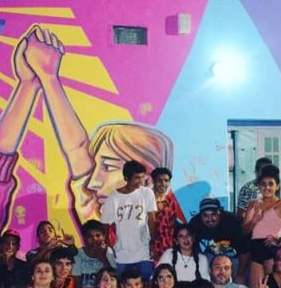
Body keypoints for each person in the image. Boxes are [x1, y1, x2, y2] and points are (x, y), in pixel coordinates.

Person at [16, 26, 173, 233]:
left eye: (107, 166)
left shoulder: (163, 209)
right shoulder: (100, 208)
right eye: (96, 166)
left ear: (144, 178)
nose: (93, 181)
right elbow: (77, 148)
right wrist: (48, 78)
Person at [242, 164, 281, 288]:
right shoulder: (253, 205)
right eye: (263, 184)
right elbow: (244, 231)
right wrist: (254, 221)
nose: (267, 187)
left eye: (271, 184)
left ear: (277, 186)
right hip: (256, 248)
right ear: (259, 186)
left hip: (272, 249)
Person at [100, 160, 157, 281]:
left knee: (145, 283)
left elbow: (152, 219)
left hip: (143, 251)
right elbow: (105, 224)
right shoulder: (114, 197)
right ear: (126, 178)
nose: (141, 181)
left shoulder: (147, 193)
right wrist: (110, 246)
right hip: (122, 252)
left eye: (142, 177)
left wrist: (153, 242)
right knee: (123, 285)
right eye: (137, 178)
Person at [188, 197, 248, 281]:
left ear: (219, 212)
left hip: (235, 256)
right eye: (205, 215)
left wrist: (240, 275)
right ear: (200, 215)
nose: (210, 219)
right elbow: (191, 250)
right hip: (210, 255)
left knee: (240, 280)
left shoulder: (233, 222)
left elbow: (245, 251)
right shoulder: (195, 224)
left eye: (213, 214)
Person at [150, 167, 186, 261]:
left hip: (168, 245)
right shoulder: (146, 200)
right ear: (153, 181)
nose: (163, 184)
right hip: (149, 245)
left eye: (166, 181)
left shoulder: (171, 202)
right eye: (159, 180)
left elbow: (173, 225)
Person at [158, 223, 210, 288]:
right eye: (181, 236)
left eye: (188, 235)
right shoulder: (169, 254)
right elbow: (158, 276)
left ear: (193, 238)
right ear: (176, 241)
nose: (185, 239)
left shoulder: (202, 259)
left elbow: (206, 284)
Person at [72, 219, 117, 288]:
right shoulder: (79, 254)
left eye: (98, 235)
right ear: (85, 238)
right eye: (90, 236)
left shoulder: (109, 252)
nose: (94, 239)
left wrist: (103, 257)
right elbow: (77, 285)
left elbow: (114, 279)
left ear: (103, 237)